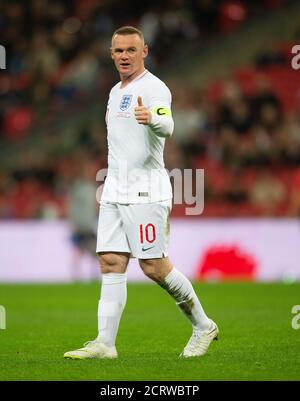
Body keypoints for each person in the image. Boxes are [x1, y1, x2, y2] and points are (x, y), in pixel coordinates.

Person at [64, 26, 218, 360]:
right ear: (111, 53)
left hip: (146, 191)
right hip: (115, 189)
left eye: (131, 50)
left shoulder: (154, 88)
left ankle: (203, 325)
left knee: (153, 266)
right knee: (110, 260)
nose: (124, 56)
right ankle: (105, 343)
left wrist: (152, 119)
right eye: (118, 51)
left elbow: (168, 124)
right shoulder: (114, 91)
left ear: (144, 51)